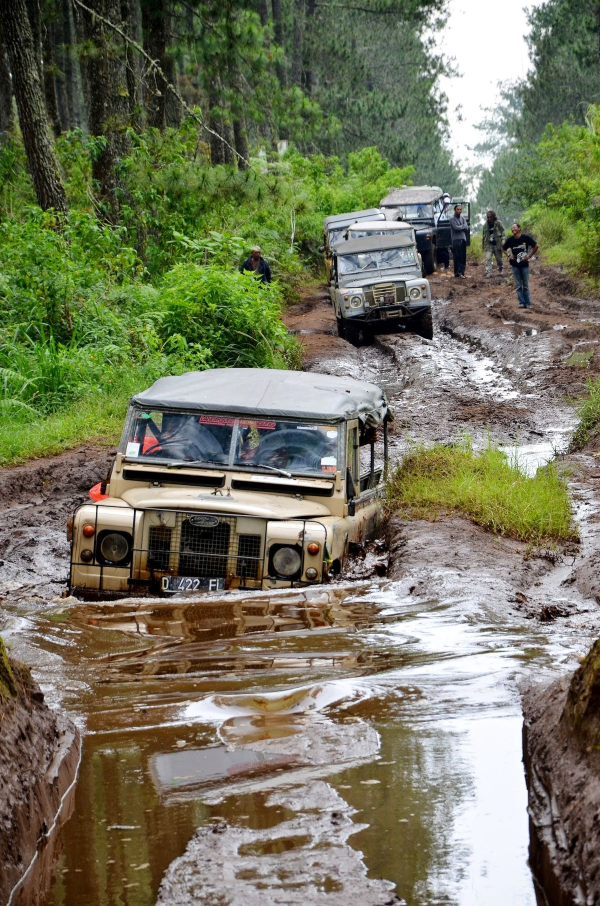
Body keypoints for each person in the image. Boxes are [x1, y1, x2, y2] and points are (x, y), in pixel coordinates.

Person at [502, 223, 539, 308]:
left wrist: (529, 256)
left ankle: (528, 303)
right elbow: (503, 248)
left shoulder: (525, 238)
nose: (513, 229)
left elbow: (536, 246)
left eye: (514, 227)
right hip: (515, 264)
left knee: (525, 285)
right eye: (512, 228)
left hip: (524, 264)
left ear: (519, 228)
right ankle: (522, 303)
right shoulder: (510, 240)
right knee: (518, 285)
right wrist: (509, 255)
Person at [482, 211, 505, 276]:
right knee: (488, 258)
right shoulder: (485, 225)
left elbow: (503, 231)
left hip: (497, 244)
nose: (489, 218)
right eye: (488, 217)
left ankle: (500, 269)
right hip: (489, 244)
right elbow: (484, 235)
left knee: (499, 259)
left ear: (493, 217)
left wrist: (503, 239)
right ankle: (488, 272)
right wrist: (483, 244)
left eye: (491, 217)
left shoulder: (498, 223)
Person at [449, 204, 469, 278]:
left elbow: (466, 227)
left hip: (463, 239)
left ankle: (462, 272)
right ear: (455, 210)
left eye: (460, 209)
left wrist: (462, 227)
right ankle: (457, 273)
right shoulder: (452, 219)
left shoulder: (463, 218)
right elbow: (456, 228)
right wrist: (463, 227)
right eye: (458, 209)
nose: (459, 211)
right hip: (456, 240)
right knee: (457, 256)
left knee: (463, 257)